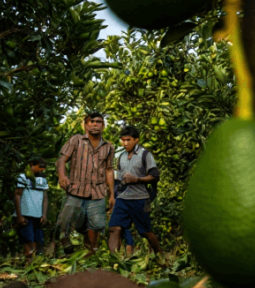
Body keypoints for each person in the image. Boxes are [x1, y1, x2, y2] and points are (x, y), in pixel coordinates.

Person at [55, 111, 114, 251]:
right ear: (86, 125)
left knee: (98, 225)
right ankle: (65, 242)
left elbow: (109, 170)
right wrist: (62, 176)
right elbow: (62, 160)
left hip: (97, 192)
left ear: (103, 125)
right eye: (91, 122)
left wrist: (112, 194)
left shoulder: (108, 147)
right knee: (65, 221)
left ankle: (92, 252)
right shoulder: (76, 140)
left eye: (98, 122)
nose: (95, 124)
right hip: (76, 189)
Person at [108, 125, 162, 254]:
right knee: (114, 227)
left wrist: (137, 179)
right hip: (123, 198)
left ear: (136, 140)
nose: (125, 143)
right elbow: (119, 178)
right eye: (123, 140)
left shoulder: (145, 154)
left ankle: (160, 255)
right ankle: (113, 261)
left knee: (145, 232)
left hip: (140, 198)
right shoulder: (121, 157)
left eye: (128, 140)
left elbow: (155, 176)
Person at [13, 156, 49, 261]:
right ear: (31, 165)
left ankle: (35, 262)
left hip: (37, 214)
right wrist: (19, 216)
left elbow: (45, 197)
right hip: (25, 214)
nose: (42, 169)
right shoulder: (23, 177)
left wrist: (44, 215)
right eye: (40, 166)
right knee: (27, 239)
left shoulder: (43, 180)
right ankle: (29, 261)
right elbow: (17, 195)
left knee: (38, 239)